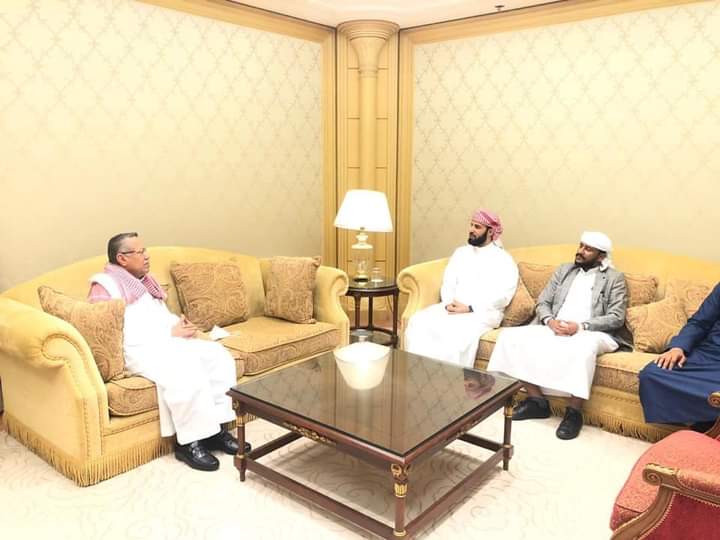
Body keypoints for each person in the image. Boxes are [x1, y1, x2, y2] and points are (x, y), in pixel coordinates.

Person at [88, 232, 249, 471]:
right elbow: (109, 331)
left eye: (145, 250)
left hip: (167, 341)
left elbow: (159, 316)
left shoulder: (145, 281)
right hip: (139, 350)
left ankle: (217, 430)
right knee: (184, 365)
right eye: (140, 252)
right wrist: (168, 333)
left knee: (217, 355)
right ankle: (189, 442)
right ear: (122, 258)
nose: (147, 256)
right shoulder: (104, 285)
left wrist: (179, 325)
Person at [488, 232, 628, 440]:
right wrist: (549, 321)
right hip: (554, 326)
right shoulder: (564, 270)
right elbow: (543, 302)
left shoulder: (614, 278)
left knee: (583, 349)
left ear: (601, 256)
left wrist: (580, 326)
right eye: (581, 246)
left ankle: (574, 412)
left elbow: (616, 317)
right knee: (509, 338)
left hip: (591, 331)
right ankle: (537, 401)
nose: (580, 251)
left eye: (588, 249)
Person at [404, 208, 518, 367]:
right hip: (452, 308)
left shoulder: (503, 260)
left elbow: (503, 296)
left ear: (491, 231)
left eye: (477, 227)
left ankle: (449, 378)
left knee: (455, 333)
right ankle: (418, 372)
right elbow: (448, 282)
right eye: (471, 225)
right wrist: (450, 303)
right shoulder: (461, 253)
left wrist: (470, 308)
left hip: (482, 312)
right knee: (418, 321)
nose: (471, 229)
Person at [639, 283, 720, 431]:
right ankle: (703, 422)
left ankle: (706, 426)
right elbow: (700, 322)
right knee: (652, 373)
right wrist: (678, 347)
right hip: (708, 354)